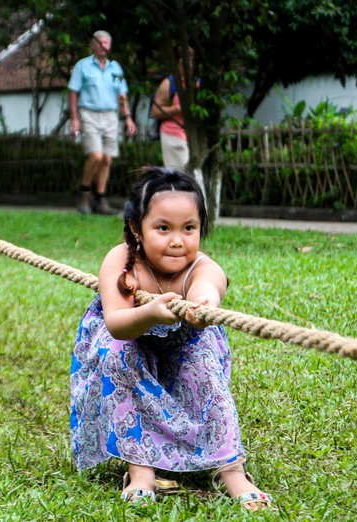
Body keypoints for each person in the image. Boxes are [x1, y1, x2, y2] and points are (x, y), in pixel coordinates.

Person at [70, 168, 273, 510]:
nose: (178, 240)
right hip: (130, 339)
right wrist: (152, 313)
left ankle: (232, 471)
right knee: (116, 353)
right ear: (137, 228)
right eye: (163, 228)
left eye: (189, 228)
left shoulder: (200, 266)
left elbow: (209, 284)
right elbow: (118, 324)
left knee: (204, 363)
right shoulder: (122, 261)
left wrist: (203, 303)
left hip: (184, 346)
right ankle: (141, 472)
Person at [68, 30, 137, 215]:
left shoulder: (116, 68)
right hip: (89, 113)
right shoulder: (82, 66)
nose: (103, 45)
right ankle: (83, 194)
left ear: (110, 45)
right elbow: (73, 92)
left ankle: (100, 200)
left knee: (106, 159)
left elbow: (121, 95)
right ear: (93, 45)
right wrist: (74, 119)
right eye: (100, 42)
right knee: (96, 156)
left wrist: (128, 117)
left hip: (110, 115)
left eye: (106, 42)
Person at [151, 47, 196, 171]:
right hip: (174, 134)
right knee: (181, 178)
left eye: (192, 61)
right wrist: (178, 109)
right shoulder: (169, 83)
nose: (189, 66)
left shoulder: (196, 83)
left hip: (193, 137)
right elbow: (155, 111)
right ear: (177, 63)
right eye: (184, 62)